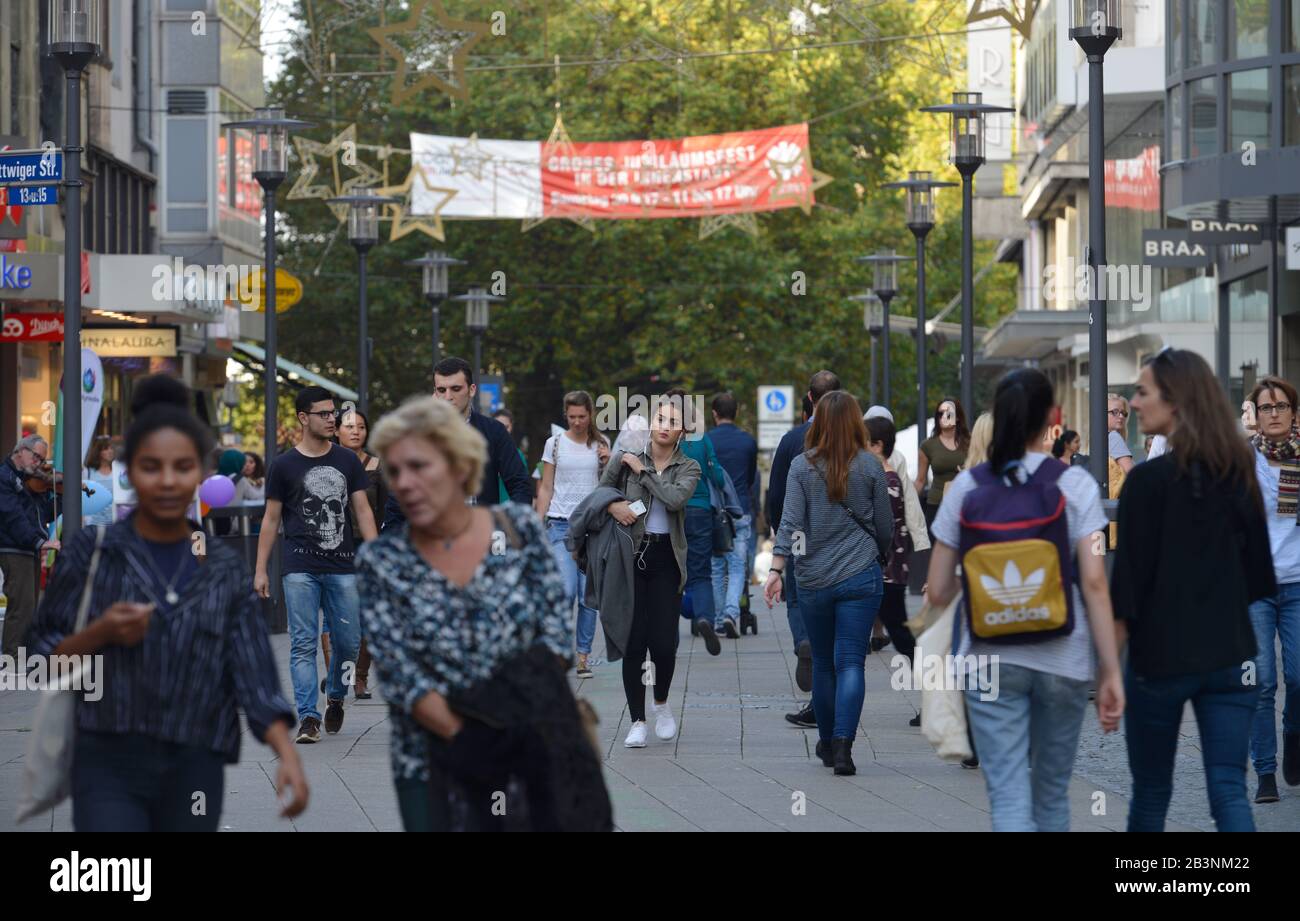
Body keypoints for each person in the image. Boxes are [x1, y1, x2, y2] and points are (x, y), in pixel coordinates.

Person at [27, 375, 307, 830]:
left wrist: (287, 753)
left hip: (196, 762)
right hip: (106, 758)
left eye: (182, 467)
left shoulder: (222, 568)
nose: (167, 481)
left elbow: (253, 673)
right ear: (130, 472)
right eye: (151, 466)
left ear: (199, 473)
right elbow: (38, 659)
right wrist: (99, 634)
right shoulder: (94, 553)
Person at [356, 396, 595, 830]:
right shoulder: (381, 561)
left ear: (459, 467)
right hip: (430, 759)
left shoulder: (518, 532)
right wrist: (472, 737)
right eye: (394, 471)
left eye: (419, 466)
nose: (404, 482)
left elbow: (556, 636)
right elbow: (399, 672)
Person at [926, 368, 1123, 831]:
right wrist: (1111, 670)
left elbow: (936, 589)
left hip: (990, 660)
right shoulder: (1074, 485)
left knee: (1009, 796)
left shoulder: (968, 488)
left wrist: (976, 577)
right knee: (1053, 796)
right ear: (1048, 421)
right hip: (1064, 659)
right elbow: (1094, 584)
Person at [1113, 348, 1275, 831]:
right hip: (1229, 655)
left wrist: (1105, 672)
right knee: (1229, 791)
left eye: (1144, 393)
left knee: (1150, 795)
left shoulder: (1144, 482)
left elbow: (1127, 591)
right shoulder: (1238, 474)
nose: (1135, 404)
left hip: (1159, 661)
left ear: (1176, 401)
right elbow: (1260, 576)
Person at [765, 390, 892, 775]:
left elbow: (790, 523)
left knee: (823, 662)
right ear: (856, 422)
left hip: (814, 580)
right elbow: (885, 525)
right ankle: (843, 748)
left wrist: (775, 569)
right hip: (860, 576)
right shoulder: (871, 466)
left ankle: (824, 739)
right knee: (851, 661)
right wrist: (877, 553)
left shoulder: (802, 467)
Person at [254, 386, 378, 744]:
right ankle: (308, 716)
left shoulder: (346, 461)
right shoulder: (284, 465)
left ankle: (335, 695)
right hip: (300, 567)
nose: (332, 419)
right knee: (303, 644)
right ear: (303, 418)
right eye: (324, 414)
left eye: (333, 413)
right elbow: (270, 519)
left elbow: (362, 510)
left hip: (344, 566)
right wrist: (261, 569)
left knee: (349, 643)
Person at [600, 392, 701, 748]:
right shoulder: (625, 458)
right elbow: (600, 495)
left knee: (663, 643)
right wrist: (615, 508)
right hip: (630, 557)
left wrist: (645, 473)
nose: (664, 427)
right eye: (660, 419)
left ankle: (661, 704)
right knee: (633, 641)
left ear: (683, 431)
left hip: (666, 561)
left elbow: (674, 500)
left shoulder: (689, 467)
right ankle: (637, 720)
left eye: (672, 423)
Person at [768, 370, 842, 726]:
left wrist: (776, 535)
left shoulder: (793, 439)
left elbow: (777, 493)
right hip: (845, 545)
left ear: (810, 399)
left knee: (798, 597)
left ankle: (803, 640)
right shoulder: (855, 441)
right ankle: (835, 718)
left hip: (800, 537)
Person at [382, 358, 532, 528]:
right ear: (435, 393)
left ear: (472, 389)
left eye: (455, 389)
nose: (448, 397)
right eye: (441, 390)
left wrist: (515, 529)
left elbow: (519, 484)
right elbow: (399, 496)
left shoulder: (494, 431)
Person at [1244, 375, 1300, 803]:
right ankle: (1264, 771)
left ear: (1294, 413)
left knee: (1297, 679)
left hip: (1298, 583)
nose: (1275, 413)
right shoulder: (1242, 460)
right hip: (1256, 585)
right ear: (1256, 415)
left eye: (1282, 406)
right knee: (1262, 681)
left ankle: (1294, 738)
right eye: (1267, 407)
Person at [535, 391, 610, 679]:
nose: (577, 422)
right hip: (560, 525)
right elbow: (546, 486)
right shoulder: (554, 444)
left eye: (582, 416)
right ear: (565, 415)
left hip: (592, 528)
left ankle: (583, 656)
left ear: (590, 415)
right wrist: (537, 521)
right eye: (572, 416)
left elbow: (609, 488)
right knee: (565, 592)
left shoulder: (601, 445)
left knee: (587, 597)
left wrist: (609, 459)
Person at [865, 415, 929, 726]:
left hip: (886, 569)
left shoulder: (887, 479)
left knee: (901, 634)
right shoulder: (884, 476)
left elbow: (883, 530)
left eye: (865, 443)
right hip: (887, 567)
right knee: (900, 633)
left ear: (877, 446)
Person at [338, 408, 385, 700]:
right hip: (332, 547)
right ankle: (337, 678)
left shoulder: (378, 466)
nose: (356, 431)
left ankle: (360, 677)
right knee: (336, 616)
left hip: (366, 544)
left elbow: (387, 509)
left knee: (367, 614)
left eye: (361, 427)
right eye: (349, 426)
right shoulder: (326, 464)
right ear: (336, 430)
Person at [0, 435, 60, 659]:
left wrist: (62, 498)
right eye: (36, 457)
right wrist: (39, 542)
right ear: (20, 451)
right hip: (13, 548)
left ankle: (22, 652)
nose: (39, 464)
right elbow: (13, 517)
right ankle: (12, 656)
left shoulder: (28, 481)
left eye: (42, 460)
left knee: (30, 604)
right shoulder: (5, 477)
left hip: (27, 548)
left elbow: (41, 514)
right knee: (21, 604)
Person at [678, 397, 727, 655]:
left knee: (672, 572)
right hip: (699, 510)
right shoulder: (702, 440)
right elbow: (717, 476)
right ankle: (705, 617)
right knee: (701, 572)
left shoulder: (664, 439)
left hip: (671, 512)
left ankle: (672, 620)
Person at [707, 392, 758, 639]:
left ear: (714, 413)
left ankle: (718, 621)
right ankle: (730, 613)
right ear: (735, 413)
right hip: (740, 510)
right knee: (737, 567)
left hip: (715, 511)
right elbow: (750, 478)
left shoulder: (706, 440)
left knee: (717, 568)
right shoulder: (748, 441)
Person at [915, 398, 969, 523]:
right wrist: (907, 505)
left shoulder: (970, 442)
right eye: (940, 413)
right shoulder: (927, 445)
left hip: (964, 505)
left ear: (957, 417)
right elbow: (920, 480)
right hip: (936, 506)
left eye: (948, 413)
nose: (944, 416)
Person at [493, 407, 532, 504]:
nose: (502, 431)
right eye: (498, 426)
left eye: (506, 427)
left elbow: (523, 487)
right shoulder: (483, 453)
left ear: (512, 426)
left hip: (509, 511)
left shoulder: (517, 455)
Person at [83, 436, 117, 527]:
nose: (110, 451)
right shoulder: (88, 472)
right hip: (94, 524)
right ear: (98, 452)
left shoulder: (117, 471)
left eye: (111, 448)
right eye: (106, 449)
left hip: (114, 523)